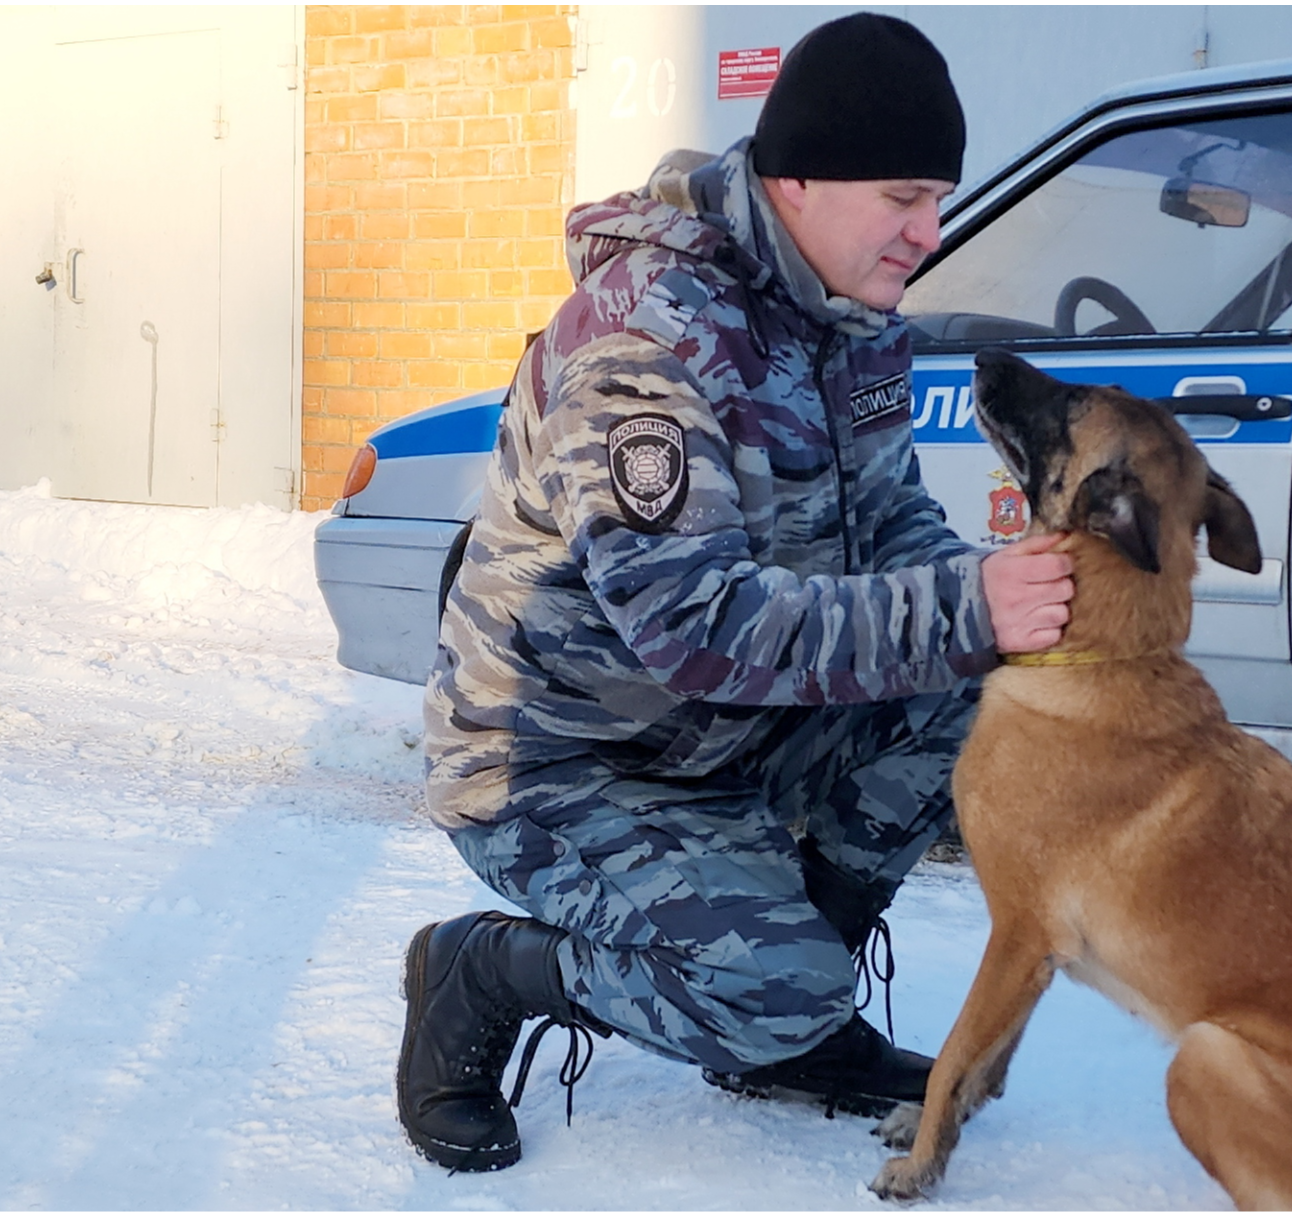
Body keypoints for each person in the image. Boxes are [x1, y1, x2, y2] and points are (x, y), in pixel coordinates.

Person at [396, 12, 1076, 1173]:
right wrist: (969, 608)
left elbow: (891, 523)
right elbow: (697, 631)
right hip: (559, 765)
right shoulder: (644, 345)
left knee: (980, 699)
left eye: (939, 199)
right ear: (797, 176)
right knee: (765, 981)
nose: (931, 232)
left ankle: (786, 1029)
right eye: (905, 197)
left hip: (728, 739)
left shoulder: (847, 321)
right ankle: (483, 973)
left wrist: (998, 605)